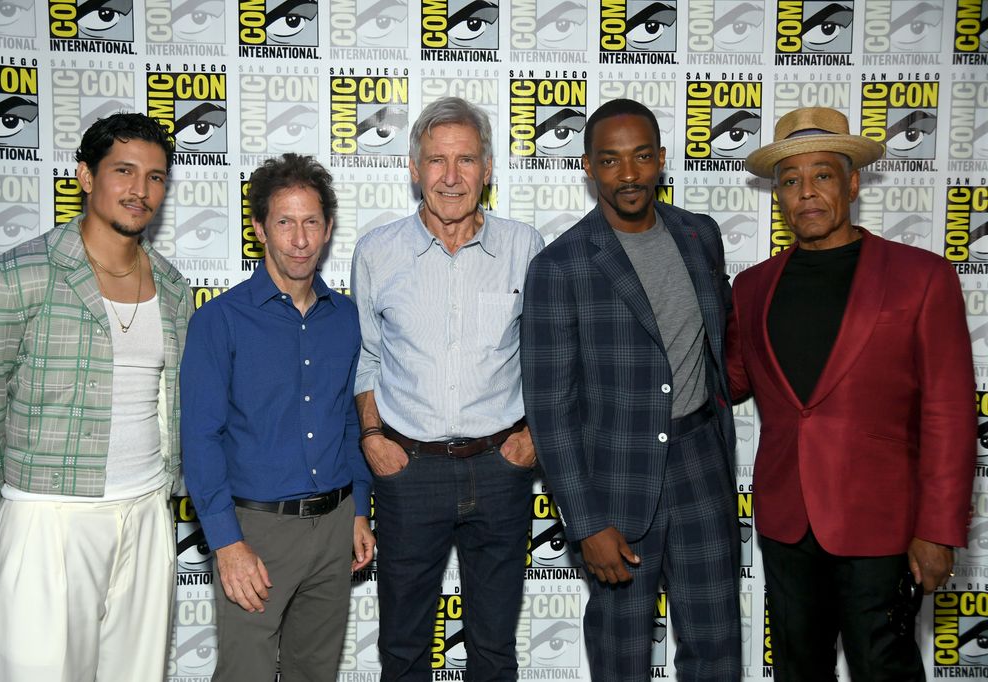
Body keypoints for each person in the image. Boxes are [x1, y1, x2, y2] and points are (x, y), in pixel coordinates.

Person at [727, 106, 976, 679]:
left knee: (882, 667)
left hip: (883, 522)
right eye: (790, 180)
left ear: (853, 182)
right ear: (778, 194)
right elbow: (729, 379)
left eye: (822, 176)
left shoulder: (922, 278)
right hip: (788, 520)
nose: (806, 193)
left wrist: (938, 529)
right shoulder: (753, 286)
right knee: (796, 668)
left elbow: (951, 413)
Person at [0, 112, 191, 680]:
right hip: (48, 514)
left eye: (156, 177)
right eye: (124, 171)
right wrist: (20, 507)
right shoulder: (17, 274)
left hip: (146, 511)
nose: (140, 190)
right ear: (87, 177)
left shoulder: (172, 285)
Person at [521, 98, 741, 681]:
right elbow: (550, 411)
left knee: (716, 648)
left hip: (703, 469)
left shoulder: (701, 236)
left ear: (661, 160)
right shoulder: (559, 265)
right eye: (611, 161)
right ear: (589, 169)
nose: (628, 174)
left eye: (641, 157)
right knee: (621, 657)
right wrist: (586, 521)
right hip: (615, 480)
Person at [352, 96, 543, 681]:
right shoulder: (377, 252)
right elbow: (367, 357)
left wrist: (530, 438)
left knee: (494, 647)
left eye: (465, 161)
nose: (451, 177)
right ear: (414, 169)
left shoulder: (524, 248)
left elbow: (546, 359)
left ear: (487, 169)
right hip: (408, 470)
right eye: (437, 161)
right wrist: (372, 437)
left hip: (502, 468)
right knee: (403, 649)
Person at [181, 153, 375, 681]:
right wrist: (226, 542)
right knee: (245, 673)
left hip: (336, 526)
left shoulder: (348, 320)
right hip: (256, 532)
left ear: (329, 228)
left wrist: (359, 509)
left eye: (312, 222)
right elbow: (199, 439)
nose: (300, 239)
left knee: (314, 674)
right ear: (259, 228)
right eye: (285, 222)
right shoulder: (218, 321)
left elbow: (353, 423)